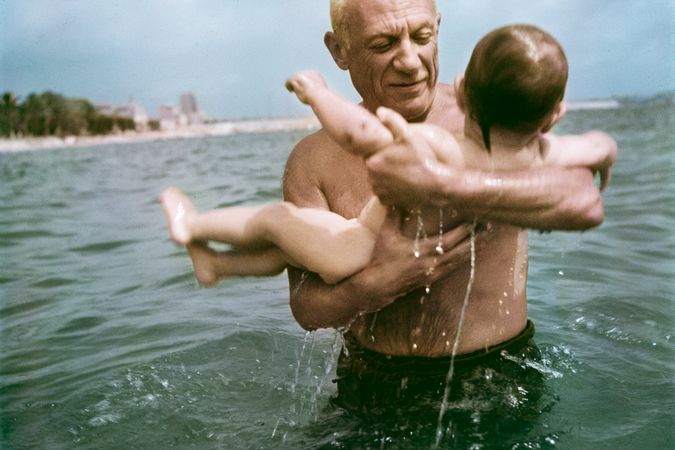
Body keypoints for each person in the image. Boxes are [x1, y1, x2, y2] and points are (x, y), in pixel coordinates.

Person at [282, 0, 616, 411]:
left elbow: (583, 202)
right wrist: (377, 284)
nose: (409, 60)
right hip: (371, 381)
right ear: (339, 50)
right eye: (384, 43)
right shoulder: (313, 160)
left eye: (422, 36)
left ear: (437, 28)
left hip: (498, 374)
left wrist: (447, 184)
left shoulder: (489, 115)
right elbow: (305, 306)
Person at [159, 33, 613, 290]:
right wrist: (604, 148)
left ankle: (194, 226)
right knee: (284, 246)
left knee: (278, 220)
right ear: (556, 114)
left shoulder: (442, 146)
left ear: (466, 90)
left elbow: (361, 134)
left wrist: (318, 93)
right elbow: (592, 145)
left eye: (422, 36)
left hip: (356, 248)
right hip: (358, 257)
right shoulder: (544, 154)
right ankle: (217, 265)